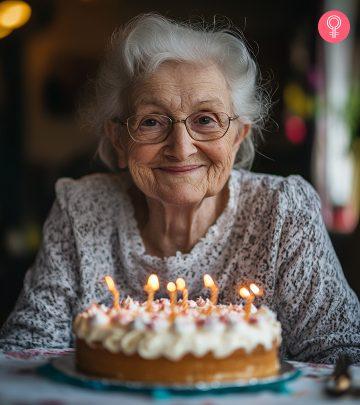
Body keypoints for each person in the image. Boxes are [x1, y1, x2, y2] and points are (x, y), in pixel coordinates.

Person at [0, 13, 359, 363]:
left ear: (237, 138)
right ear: (119, 140)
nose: (181, 147)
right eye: (152, 121)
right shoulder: (81, 210)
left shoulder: (283, 212)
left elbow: (345, 356)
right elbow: (23, 351)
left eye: (205, 120)